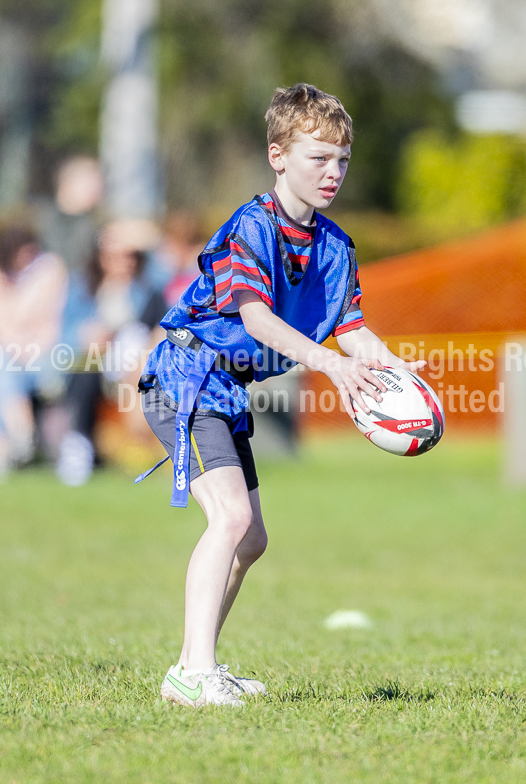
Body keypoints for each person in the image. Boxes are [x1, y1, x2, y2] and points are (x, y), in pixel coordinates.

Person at [138, 83, 426, 708]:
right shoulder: (250, 227)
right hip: (187, 379)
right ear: (278, 156)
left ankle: (193, 666)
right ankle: (193, 673)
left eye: (343, 160)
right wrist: (328, 365)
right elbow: (254, 318)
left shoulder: (335, 245)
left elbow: (348, 326)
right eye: (318, 157)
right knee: (232, 519)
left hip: (225, 390)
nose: (334, 172)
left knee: (252, 539)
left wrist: (395, 370)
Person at [58, 220, 166, 486]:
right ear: (101, 257)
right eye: (115, 255)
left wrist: (144, 239)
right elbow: (64, 333)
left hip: (135, 363)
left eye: (131, 255)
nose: (124, 261)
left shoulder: (147, 288)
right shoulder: (82, 289)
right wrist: (87, 334)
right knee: (88, 362)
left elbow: (167, 277)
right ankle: (79, 442)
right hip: (92, 362)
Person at [0, 228, 67, 479]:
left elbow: (50, 322)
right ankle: (17, 438)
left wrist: (21, 344)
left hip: (46, 355)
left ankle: (4, 449)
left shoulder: (50, 271)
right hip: (9, 353)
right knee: (0, 370)